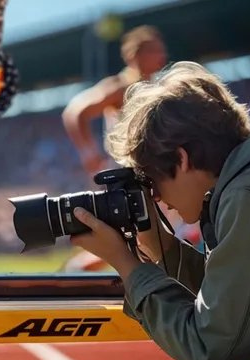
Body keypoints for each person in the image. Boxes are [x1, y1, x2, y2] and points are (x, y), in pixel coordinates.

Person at [70, 61, 250, 360]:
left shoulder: (249, 196)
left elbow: (210, 346)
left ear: (180, 158)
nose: (156, 198)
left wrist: (126, 264)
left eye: (152, 181)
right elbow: (237, 294)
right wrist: (163, 248)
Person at [60, 25, 167, 272]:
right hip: (127, 177)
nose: (162, 56)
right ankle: (73, 274)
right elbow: (75, 113)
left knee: (148, 243)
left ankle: (74, 274)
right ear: (134, 55)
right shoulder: (121, 86)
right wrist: (90, 154)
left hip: (150, 175)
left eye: (161, 50)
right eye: (154, 50)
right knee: (137, 241)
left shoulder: (155, 89)